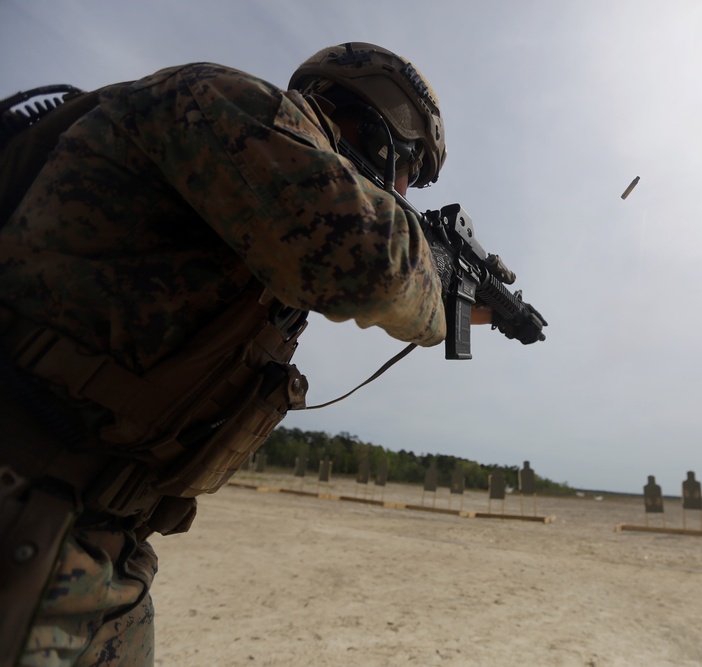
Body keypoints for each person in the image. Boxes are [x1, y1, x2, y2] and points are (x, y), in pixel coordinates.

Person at [0, 42, 471, 666]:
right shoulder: (230, 101)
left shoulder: (265, 198)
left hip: (100, 537)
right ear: (382, 126)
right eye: (411, 170)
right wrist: (446, 278)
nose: (406, 192)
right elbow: (369, 266)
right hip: (22, 495)